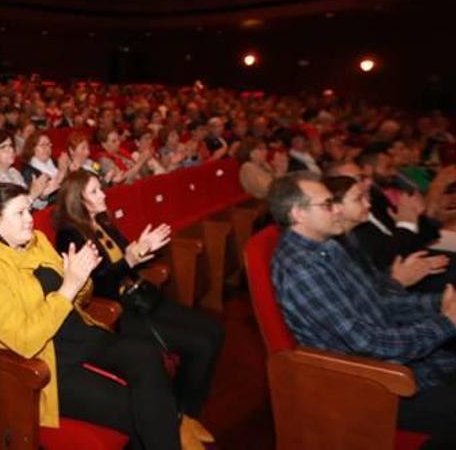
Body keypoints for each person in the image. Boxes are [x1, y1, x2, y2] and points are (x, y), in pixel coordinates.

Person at [0, 183, 188, 450]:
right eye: (20, 213)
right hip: (50, 363)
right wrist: (68, 287)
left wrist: (80, 279)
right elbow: (23, 340)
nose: (29, 219)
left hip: (80, 333)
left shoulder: (38, 241)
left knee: (146, 354)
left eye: (29, 210)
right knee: (138, 408)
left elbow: (80, 298)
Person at [268, 171, 456, 448]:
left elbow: (378, 303)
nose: (337, 210)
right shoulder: (301, 269)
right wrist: (447, 323)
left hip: (390, 357)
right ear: (298, 214)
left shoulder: (327, 246)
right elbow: (367, 343)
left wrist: (437, 304)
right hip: (371, 383)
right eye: (327, 204)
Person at [54, 170, 223, 436]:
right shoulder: (69, 235)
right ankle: (180, 417)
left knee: (214, 331)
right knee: (201, 345)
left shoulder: (102, 222)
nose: (103, 194)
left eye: (101, 188)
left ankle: (184, 412)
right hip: (116, 312)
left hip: (138, 296)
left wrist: (141, 249)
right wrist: (132, 258)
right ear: (80, 200)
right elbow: (95, 285)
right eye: (95, 191)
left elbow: (123, 260)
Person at [324, 175, 450, 293]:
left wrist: (411, 266)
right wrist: (398, 278)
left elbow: (420, 240)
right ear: (335, 207)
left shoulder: (353, 232)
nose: (368, 204)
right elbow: (367, 290)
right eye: (358, 199)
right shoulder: (338, 244)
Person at [0, 129, 52, 209]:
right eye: (3, 147)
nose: (11, 150)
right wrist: (32, 195)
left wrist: (42, 196)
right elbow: (6, 212)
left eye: (11, 145)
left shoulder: (14, 172)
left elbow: (32, 205)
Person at [20, 131, 70, 202]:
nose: (47, 148)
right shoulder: (28, 171)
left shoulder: (54, 161)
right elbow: (47, 200)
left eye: (48, 144)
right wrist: (61, 173)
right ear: (32, 148)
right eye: (43, 145)